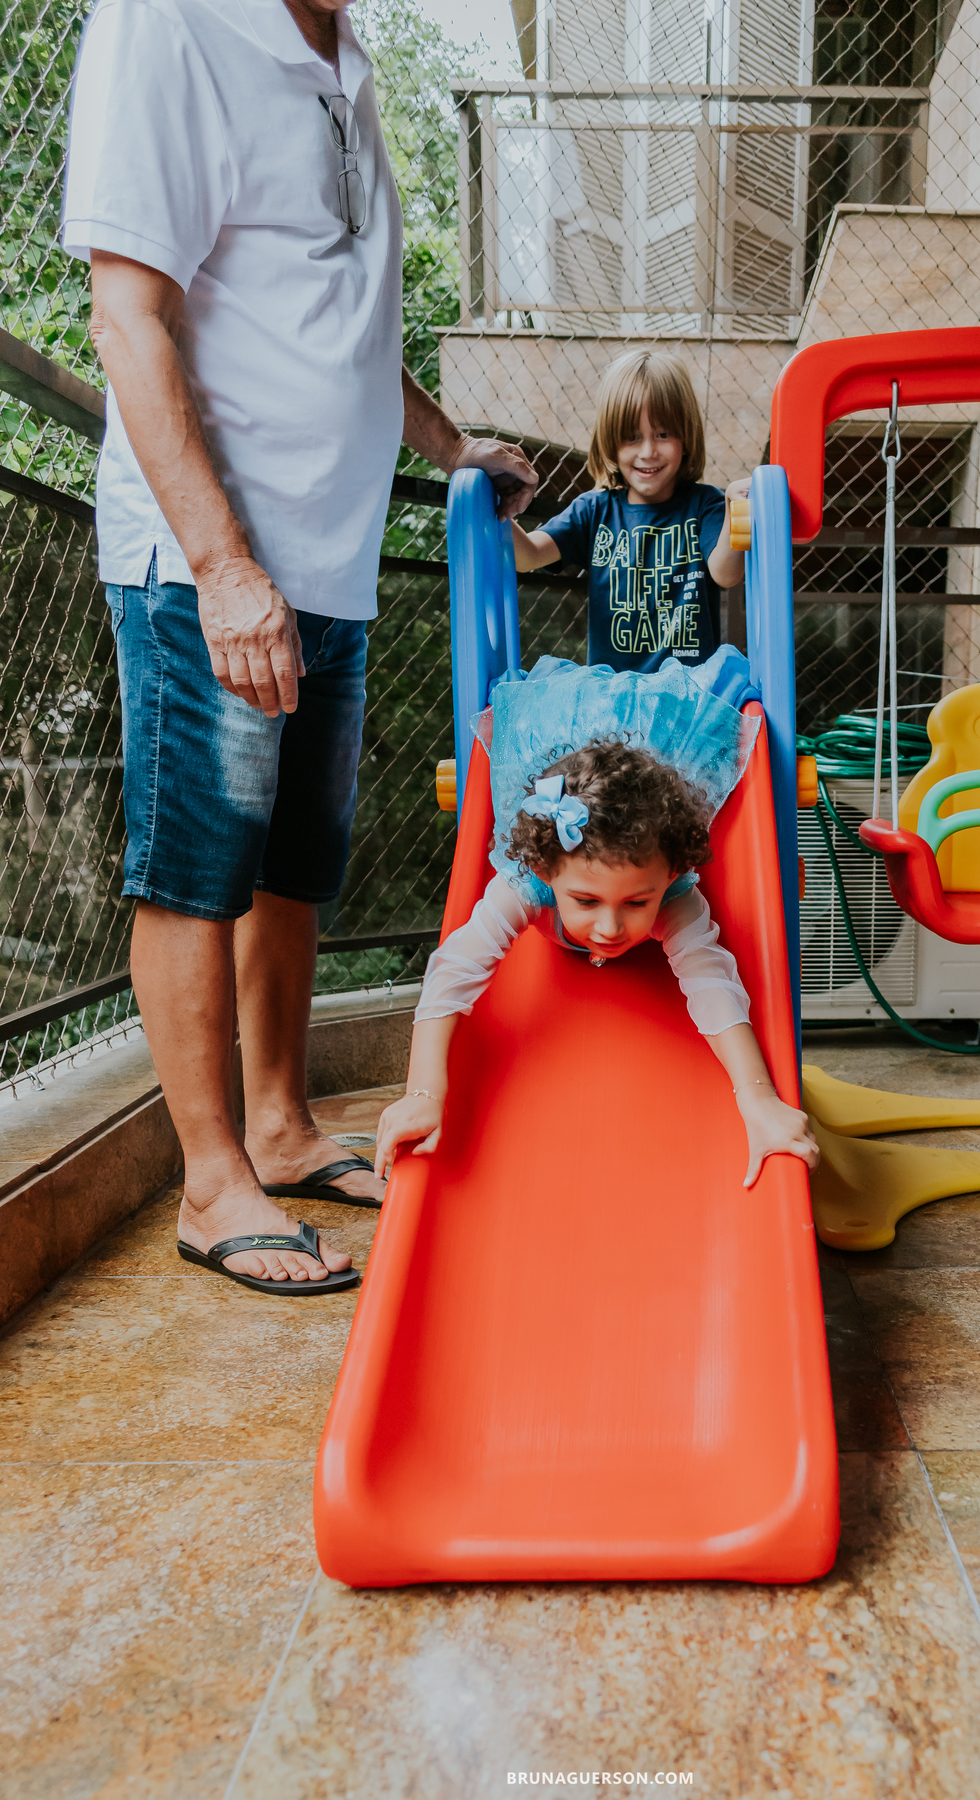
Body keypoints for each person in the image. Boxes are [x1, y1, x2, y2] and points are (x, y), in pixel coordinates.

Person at [61, 0, 539, 1295]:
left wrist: (453, 452)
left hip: (326, 563)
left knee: (295, 867)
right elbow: (127, 316)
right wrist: (223, 569)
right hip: (213, 562)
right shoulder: (167, 26)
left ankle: (276, 1124)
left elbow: (346, 321)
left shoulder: (343, 59)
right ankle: (209, 1182)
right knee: (197, 868)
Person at [373, 658, 819, 1187]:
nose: (609, 926)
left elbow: (712, 982)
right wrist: (423, 1093)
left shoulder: (673, 892)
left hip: (665, 746)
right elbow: (453, 970)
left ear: (672, 872)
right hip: (552, 726)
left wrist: (759, 1099)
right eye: (585, 901)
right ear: (546, 871)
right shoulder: (528, 881)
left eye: (636, 903)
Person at [510, 349, 749, 672]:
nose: (648, 451)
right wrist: (496, 505)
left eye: (663, 435)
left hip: (686, 697)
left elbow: (726, 572)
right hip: (615, 702)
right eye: (632, 438)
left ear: (686, 436)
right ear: (611, 441)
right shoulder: (593, 511)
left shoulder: (704, 505)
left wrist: (736, 510)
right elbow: (528, 556)